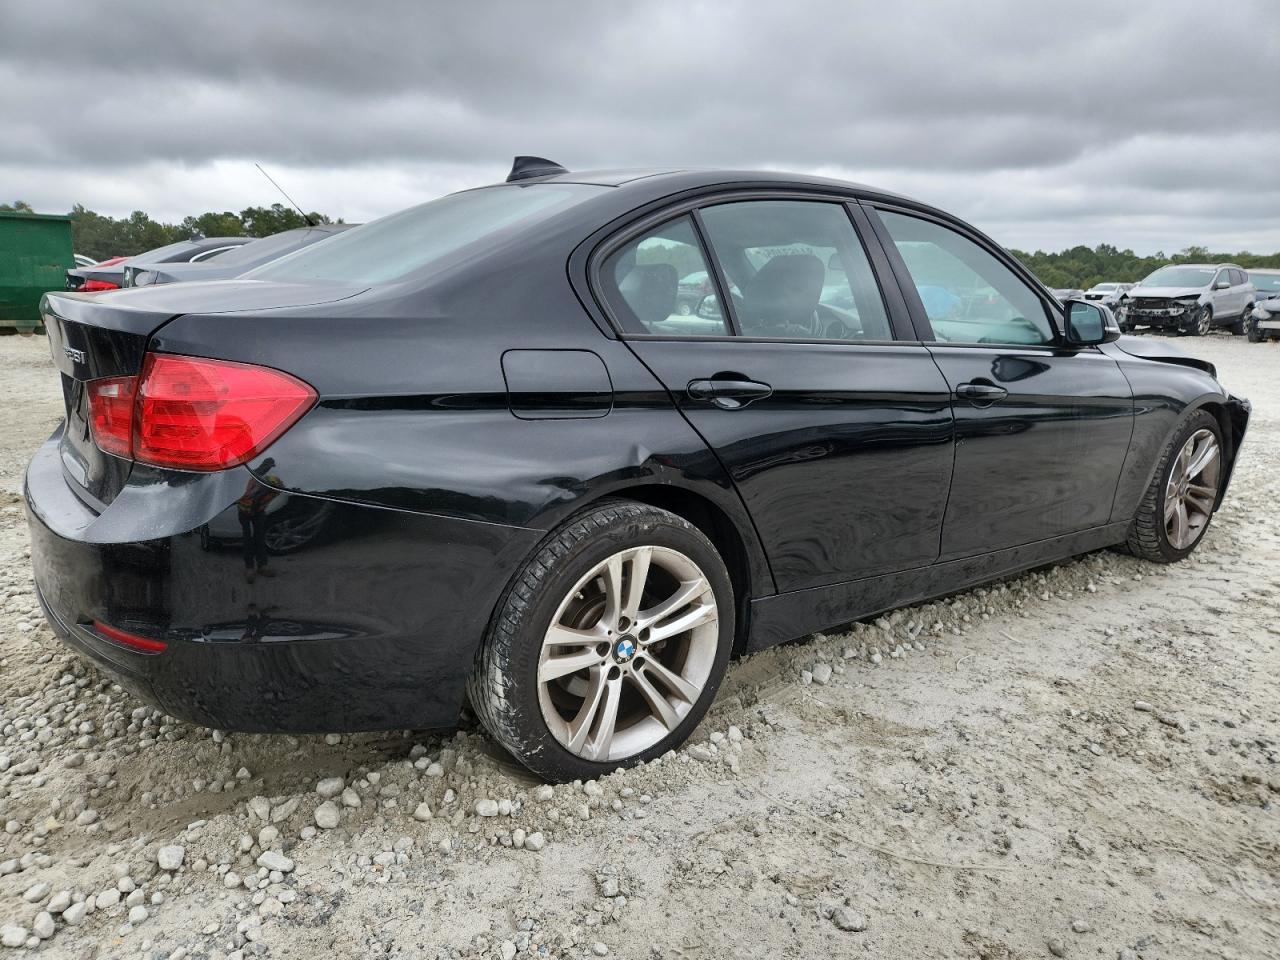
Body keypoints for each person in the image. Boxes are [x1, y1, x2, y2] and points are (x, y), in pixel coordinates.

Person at [237, 459, 283, 583]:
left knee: (259, 537)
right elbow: (246, 495)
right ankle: (249, 567)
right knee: (249, 539)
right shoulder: (253, 479)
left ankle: (262, 566)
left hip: (258, 513)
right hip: (245, 513)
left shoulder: (276, 484)